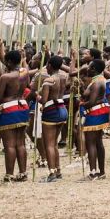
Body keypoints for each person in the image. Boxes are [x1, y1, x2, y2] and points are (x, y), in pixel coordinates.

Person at [0, 48, 30, 182]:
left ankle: (9, 174)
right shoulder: (25, 72)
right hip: (22, 105)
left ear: (8, 62)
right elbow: (28, 86)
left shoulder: (5, 77)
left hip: (9, 108)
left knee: (9, 144)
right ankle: (23, 172)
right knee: (20, 143)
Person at [37, 54, 69, 182]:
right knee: (54, 143)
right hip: (62, 109)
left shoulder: (48, 81)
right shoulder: (63, 77)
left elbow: (43, 100)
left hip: (51, 111)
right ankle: (58, 170)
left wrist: (36, 96)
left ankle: (52, 173)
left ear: (49, 66)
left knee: (49, 144)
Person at [78, 58, 110, 180]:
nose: (88, 69)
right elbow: (89, 96)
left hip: (95, 112)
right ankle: (101, 172)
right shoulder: (97, 80)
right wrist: (81, 88)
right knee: (97, 142)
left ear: (94, 69)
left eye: (90, 67)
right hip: (99, 111)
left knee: (91, 142)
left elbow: (91, 102)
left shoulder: (97, 82)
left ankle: (93, 172)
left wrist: (81, 104)